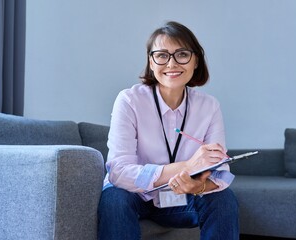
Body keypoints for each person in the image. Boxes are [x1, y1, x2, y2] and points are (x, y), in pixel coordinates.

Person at [98, 21, 239, 240]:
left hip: (182, 197)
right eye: (162, 55)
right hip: (135, 196)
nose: (171, 64)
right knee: (114, 198)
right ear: (151, 63)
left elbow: (220, 172)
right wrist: (187, 166)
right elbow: (118, 172)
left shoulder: (209, 106)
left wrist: (198, 185)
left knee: (224, 200)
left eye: (182, 54)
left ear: (195, 61)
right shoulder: (129, 100)